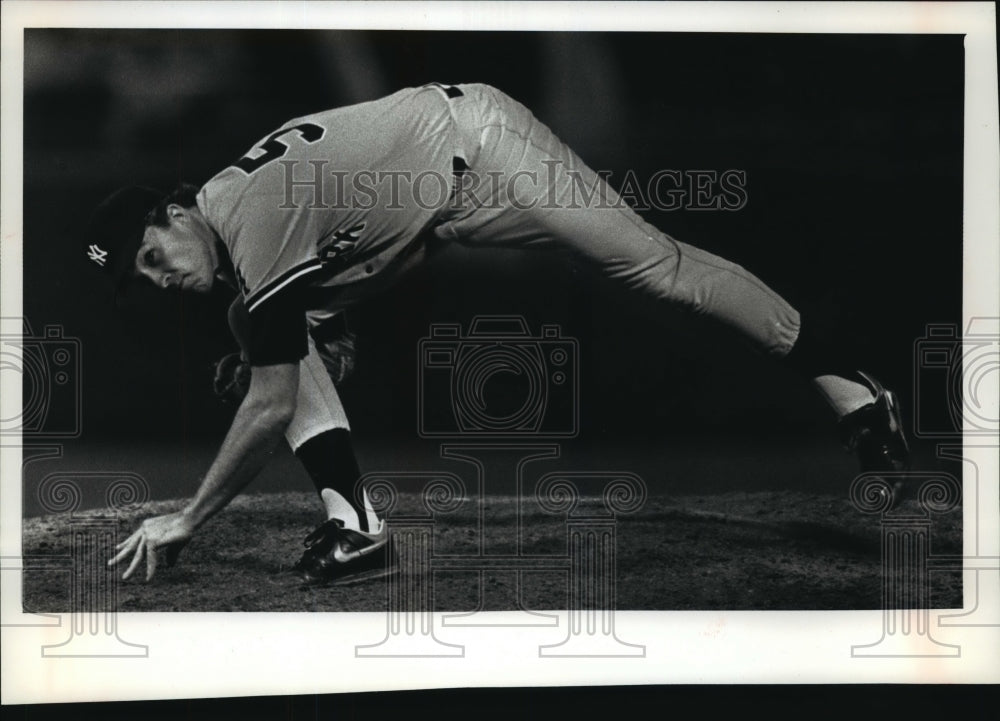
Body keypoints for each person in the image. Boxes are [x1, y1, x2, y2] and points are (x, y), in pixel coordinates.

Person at [88, 82, 909, 583]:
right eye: (142, 279)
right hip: (434, 202)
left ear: (174, 210)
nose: (160, 278)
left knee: (660, 274)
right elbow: (388, 232)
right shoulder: (237, 219)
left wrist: (188, 517)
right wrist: (317, 323)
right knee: (257, 326)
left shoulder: (248, 212)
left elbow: (269, 407)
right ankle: (356, 525)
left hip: (484, 148)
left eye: (151, 254)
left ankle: (850, 384)